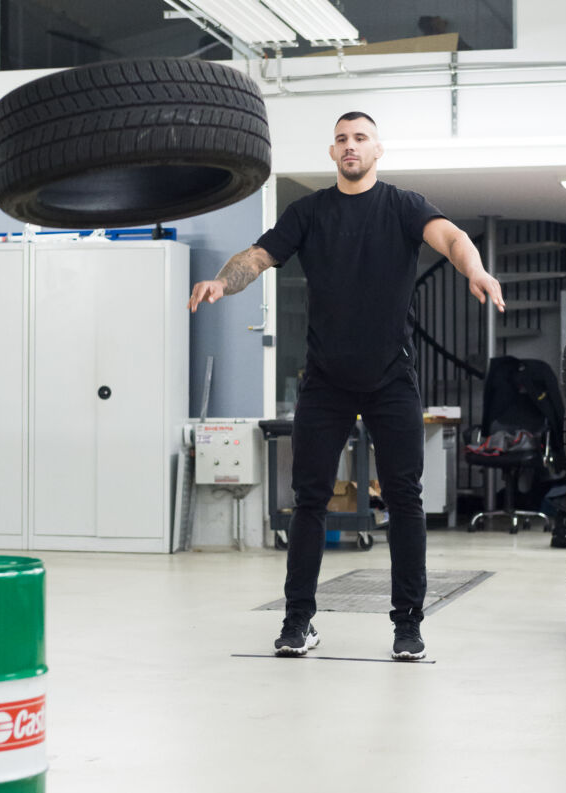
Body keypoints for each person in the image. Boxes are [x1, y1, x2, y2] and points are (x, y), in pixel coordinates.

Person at [188, 111, 505, 660]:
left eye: (360, 138)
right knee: (309, 500)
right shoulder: (308, 213)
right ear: (332, 153)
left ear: (378, 149)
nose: (350, 146)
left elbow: (450, 238)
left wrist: (474, 268)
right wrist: (222, 280)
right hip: (325, 382)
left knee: (405, 500)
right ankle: (297, 622)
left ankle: (408, 626)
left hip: (391, 379)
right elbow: (259, 256)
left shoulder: (404, 206)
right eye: (341, 139)